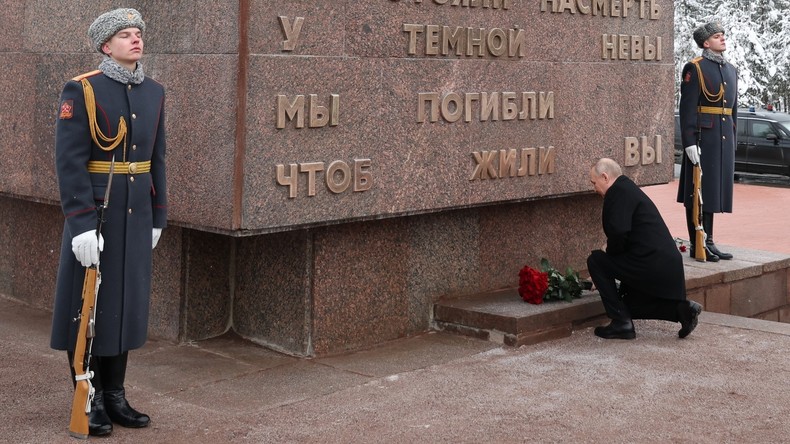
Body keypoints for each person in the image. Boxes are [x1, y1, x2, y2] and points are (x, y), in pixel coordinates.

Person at [50, 8, 167, 436]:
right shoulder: (82, 90)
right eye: (125, 35)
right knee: (88, 306)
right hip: (96, 213)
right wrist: (80, 223)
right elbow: (70, 162)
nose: (135, 40)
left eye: (138, 34)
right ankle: (91, 395)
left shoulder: (154, 92)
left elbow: (157, 159)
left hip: (135, 215)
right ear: (106, 46)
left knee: (123, 304)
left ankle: (116, 394)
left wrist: (159, 214)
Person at [587, 158, 701, 340]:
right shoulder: (628, 189)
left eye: (594, 183)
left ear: (605, 177)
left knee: (596, 261)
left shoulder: (616, 193)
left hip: (650, 264)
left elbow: (618, 234)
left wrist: (607, 266)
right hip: (663, 264)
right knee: (627, 303)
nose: (594, 189)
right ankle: (682, 311)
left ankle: (620, 323)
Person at [676, 21, 738, 262]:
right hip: (703, 139)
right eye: (717, 36)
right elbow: (688, 107)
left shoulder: (731, 69)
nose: (722, 38)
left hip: (721, 140)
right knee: (697, 191)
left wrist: (732, 140)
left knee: (713, 192)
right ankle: (697, 243)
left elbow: (732, 111)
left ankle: (709, 240)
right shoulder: (695, 68)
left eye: (723, 35)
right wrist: (689, 141)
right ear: (705, 42)